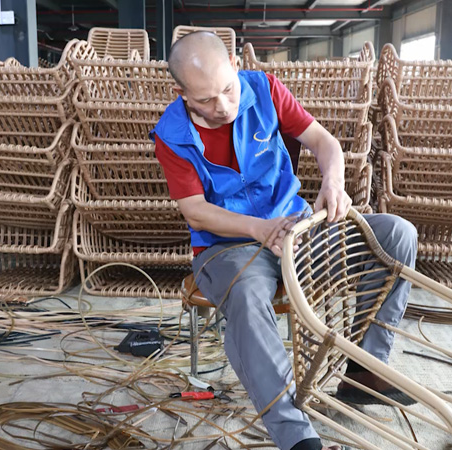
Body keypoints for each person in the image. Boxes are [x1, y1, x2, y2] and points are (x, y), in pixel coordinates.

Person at [151, 32, 417, 450]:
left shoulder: (266, 89)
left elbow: (323, 142)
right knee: (246, 297)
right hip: (227, 247)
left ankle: (365, 371)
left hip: (296, 229)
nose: (223, 107)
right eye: (205, 100)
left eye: (227, 89)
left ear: (236, 67)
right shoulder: (171, 135)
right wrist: (258, 230)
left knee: (397, 234)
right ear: (179, 93)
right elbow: (195, 210)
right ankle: (298, 439)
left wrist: (333, 181)